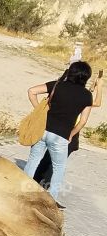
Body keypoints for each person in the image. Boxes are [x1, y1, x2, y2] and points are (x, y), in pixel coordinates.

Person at [24, 61, 103, 205]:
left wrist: (39, 111)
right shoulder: (86, 96)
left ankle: (21, 192)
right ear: (85, 77)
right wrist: (72, 134)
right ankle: (51, 200)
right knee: (58, 168)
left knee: (33, 160)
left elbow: (31, 91)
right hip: (61, 136)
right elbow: (83, 121)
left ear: (70, 72)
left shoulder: (57, 85)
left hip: (42, 130)